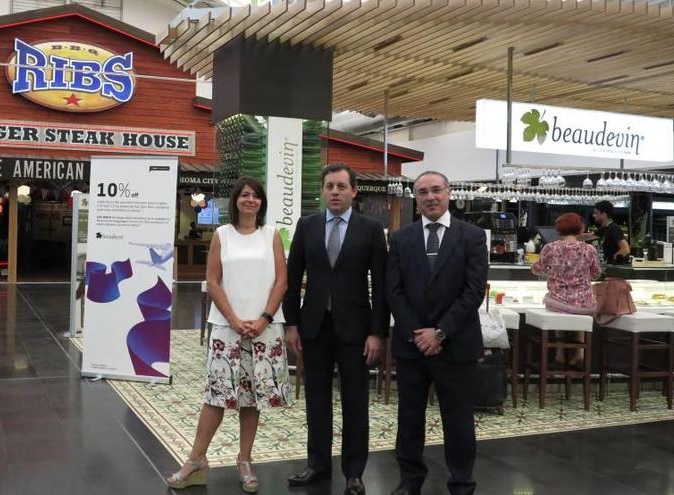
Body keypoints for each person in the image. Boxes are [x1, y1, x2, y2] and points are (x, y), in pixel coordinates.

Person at [166, 177, 289, 492]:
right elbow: (213, 280)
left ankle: (244, 460)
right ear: (235, 200)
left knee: (252, 398)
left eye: (255, 196)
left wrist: (263, 318)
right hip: (226, 327)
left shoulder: (272, 235)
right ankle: (196, 460)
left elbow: (281, 282)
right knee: (216, 395)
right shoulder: (222, 235)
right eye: (245, 195)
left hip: (265, 328)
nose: (250, 200)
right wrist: (234, 319)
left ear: (261, 202)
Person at [284, 163, 388, 495]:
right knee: (316, 399)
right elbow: (291, 278)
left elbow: (382, 285)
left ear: (354, 191)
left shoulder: (371, 230)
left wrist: (377, 332)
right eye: (329, 186)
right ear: (323, 190)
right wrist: (291, 324)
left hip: (356, 329)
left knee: (356, 401)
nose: (335, 192)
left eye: (342, 186)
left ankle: (354, 472)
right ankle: (317, 464)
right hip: (313, 326)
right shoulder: (307, 225)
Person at [386, 170, 488, 495]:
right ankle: (410, 480)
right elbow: (394, 290)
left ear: (449, 193)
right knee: (409, 420)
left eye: (435, 190)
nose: (429, 197)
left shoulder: (472, 236)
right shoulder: (401, 238)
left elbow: (473, 292)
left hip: (455, 346)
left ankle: (461, 483)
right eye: (422, 192)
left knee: (458, 422)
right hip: (412, 345)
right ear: (415, 198)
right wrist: (419, 332)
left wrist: (440, 332)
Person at [531, 213, 600, 367]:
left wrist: (548, 270)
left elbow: (537, 269)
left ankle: (560, 354)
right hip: (584, 304)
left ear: (559, 229)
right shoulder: (589, 249)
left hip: (558, 302)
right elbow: (596, 274)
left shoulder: (551, 248)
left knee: (558, 306)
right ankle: (580, 354)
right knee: (580, 310)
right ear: (580, 229)